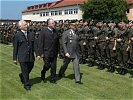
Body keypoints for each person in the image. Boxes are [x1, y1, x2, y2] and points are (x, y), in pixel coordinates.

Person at [13, 20, 37, 90]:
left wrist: (38, 54)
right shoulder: (17, 35)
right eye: (25, 25)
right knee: (24, 70)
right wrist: (14, 58)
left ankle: (22, 75)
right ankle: (26, 84)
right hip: (22, 56)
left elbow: (34, 45)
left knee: (31, 66)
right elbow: (15, 48)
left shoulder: (31, 33)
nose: (27, 26)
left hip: (30, 56)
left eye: (27, 24)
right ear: (20, 27)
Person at [37, 18, 59, 83]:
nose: (54, 24)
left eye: (54, 23)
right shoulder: (43, 31)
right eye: (52, 23)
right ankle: (43, 72)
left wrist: (58, 52)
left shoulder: (55, 31)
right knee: (47, 65)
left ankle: (53, 79)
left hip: (54, 52)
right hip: (46, 52)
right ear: (48, 24)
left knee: (53, 66)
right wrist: (41, 53)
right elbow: (40, 43)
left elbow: (57, 42)